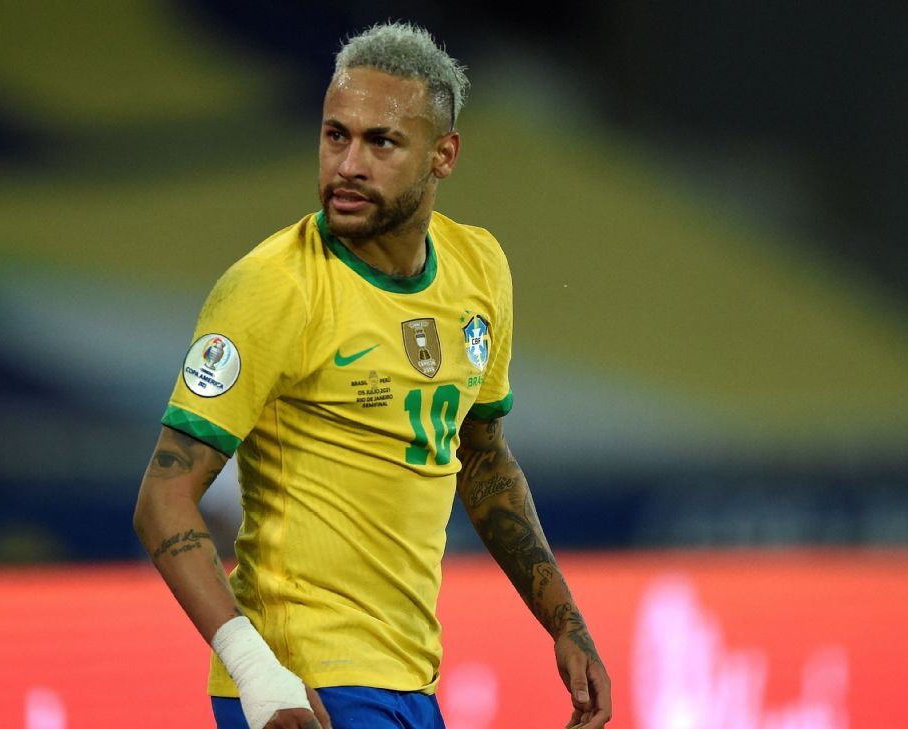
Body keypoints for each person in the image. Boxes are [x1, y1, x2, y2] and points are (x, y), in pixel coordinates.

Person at [133, 21, 611, 729]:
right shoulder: (274, 288)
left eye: (380, 142)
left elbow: (482, 458)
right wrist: (258, 672)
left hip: (410, 679)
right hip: (305, 688)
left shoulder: (479, 268)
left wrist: (565, 621)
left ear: (443, 155)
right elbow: (163, 499)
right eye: (336, 136)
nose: (348, 164)